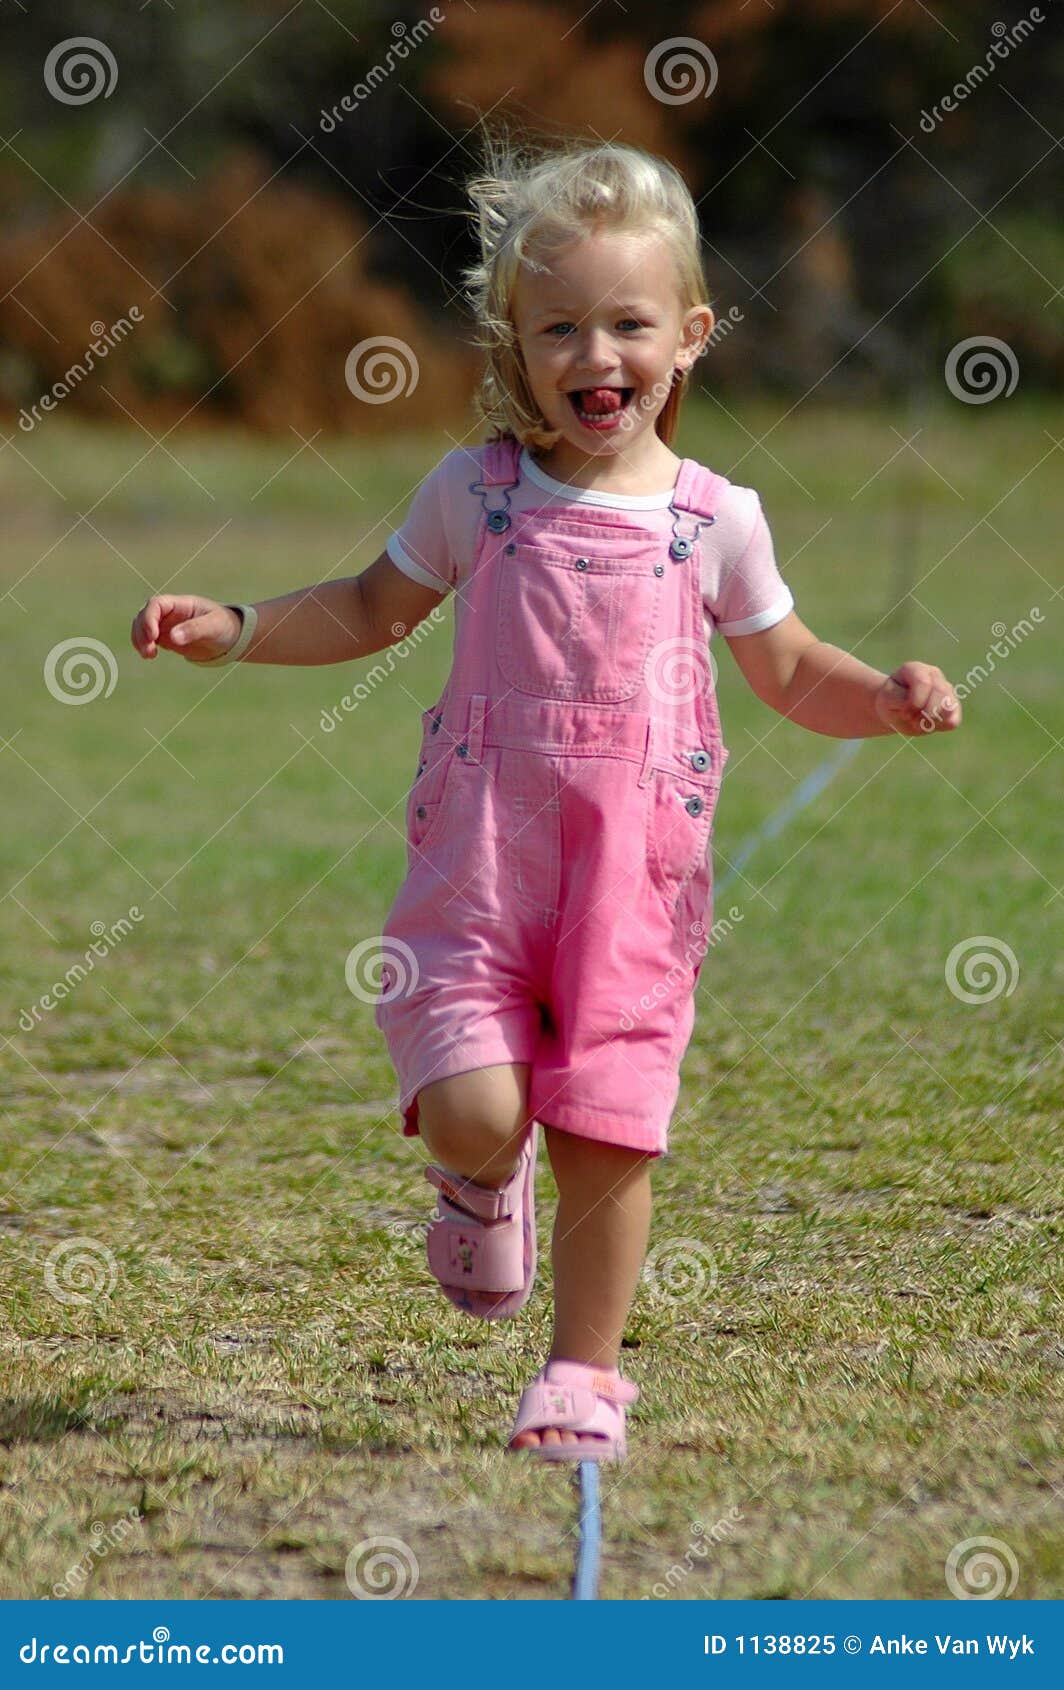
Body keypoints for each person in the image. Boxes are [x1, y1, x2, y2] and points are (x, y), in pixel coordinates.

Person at [131, 137, 962, 1465]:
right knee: (477, 1103)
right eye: (559, 326)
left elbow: (791, 667)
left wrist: (886, 696)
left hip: (636, 885)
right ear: (512, 344)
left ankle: (581, 1372)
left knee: (608, 1125)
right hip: (480, 868)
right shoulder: (476, 495)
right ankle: (476, 1175)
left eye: (628, 324)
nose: (595, 355)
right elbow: (364, 606)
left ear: (688, 337)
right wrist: (233, 623)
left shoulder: (715, 519)